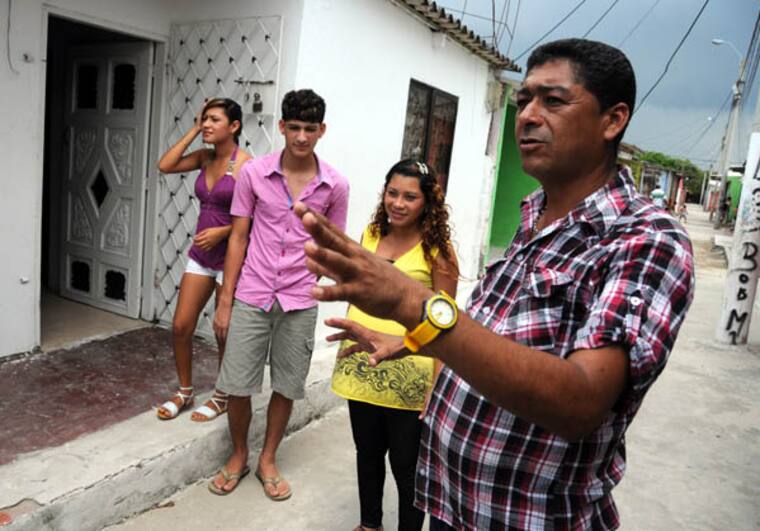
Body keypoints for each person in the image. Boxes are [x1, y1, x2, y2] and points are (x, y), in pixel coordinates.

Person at [297, 38, 694, 529]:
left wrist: (411, 304)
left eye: (553, 100)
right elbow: (493, 336)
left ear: (612, 120)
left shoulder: (646, 238)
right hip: (452, 502)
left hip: (525, 517)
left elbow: (582, 402)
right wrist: (412, 341)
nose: (527, 115)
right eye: (523, 99)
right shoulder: (535, 214)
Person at [208, 89, 349, 499]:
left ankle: (267, 458)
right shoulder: (254, 173)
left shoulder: (335, 185)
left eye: (310, 129)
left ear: (322, 130)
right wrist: (225, 301)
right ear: (282, 127)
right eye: (295, 127)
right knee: (237, 383)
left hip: (299, 299)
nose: (302, 137)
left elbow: (333, 243)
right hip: (252, 292)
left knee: (287, 385)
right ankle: (239, 454)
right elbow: (238, 238)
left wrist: (325, 282)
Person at [329, 160, 458, 531]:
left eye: (410, 197)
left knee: (406, 466)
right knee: (367, 453)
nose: (398, 203)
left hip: (410, 375)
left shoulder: (438, 251)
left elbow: (445, 323)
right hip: (362, 365)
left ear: (427, 202)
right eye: (392, 193)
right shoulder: (371, 233)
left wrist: (436, 384)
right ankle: (370, 524)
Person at [156, 98, 251, 422]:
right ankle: (185, 391)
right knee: (181, 325)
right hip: (201, 256)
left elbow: (259, 218)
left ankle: (222, 395)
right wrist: (194, 130)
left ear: (234, 126)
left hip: (231, 259)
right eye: (204, 119)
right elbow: (165, 165)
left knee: (224, 332)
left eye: (214, 120)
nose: (207, 125)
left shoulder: (247, 165)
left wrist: (224, 231)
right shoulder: (204, 157)